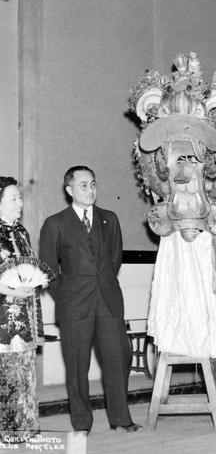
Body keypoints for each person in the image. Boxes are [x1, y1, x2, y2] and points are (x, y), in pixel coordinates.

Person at [39, 166, 142, 434]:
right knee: (76, 368)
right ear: (69, 190)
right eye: (83, 185)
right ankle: (82, 424)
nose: (90, 190)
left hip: (108, 302)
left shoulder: (110, 219)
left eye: (93, 184)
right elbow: (48, 269)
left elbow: (114, 259)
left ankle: (121, 419)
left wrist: (103, 285)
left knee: (118, 360)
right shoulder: (55, 223)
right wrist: (67, 295)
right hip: (74, 306)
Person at [0, 177, 44, 443]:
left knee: (25, 371)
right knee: (5, 374)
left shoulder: (22, 232)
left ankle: (25, 430)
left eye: (20, 197)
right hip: (3, 315)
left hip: (25, 315)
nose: (20, 203)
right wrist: (10, 291)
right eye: (13, 198)